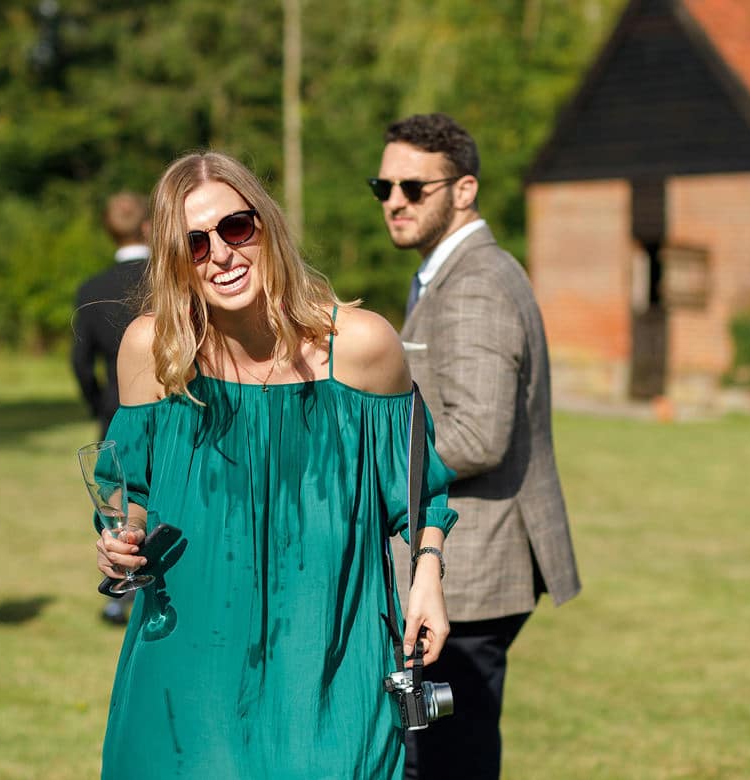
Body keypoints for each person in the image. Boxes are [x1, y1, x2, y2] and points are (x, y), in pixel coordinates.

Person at [92, 150, 458, 779]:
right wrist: (117, 540)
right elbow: (131, 493)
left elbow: (420, 494)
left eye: (236, 228)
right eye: (195, 244)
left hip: (327, 664)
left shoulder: (362, 349)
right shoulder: (151, 353)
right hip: (187, 674)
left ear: (266, 225)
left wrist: (427, 576)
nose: (223, 255)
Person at [371, 112, 581, 780]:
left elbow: (477, 436)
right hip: (467, 564)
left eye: (413, 187)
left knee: (446, 760)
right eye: (383, 188)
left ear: (463, 190)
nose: (395, 202)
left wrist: (366, 470)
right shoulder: (450, 272)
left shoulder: (476, 283)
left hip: (477, 571)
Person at [72, 191, 151, 626]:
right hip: (175, 405)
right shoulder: (170, 278)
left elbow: (80, 363)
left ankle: (119, 593)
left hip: (115, 409)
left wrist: (96, 402)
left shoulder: (92, 288)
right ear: (147, 227)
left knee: (115, 499)